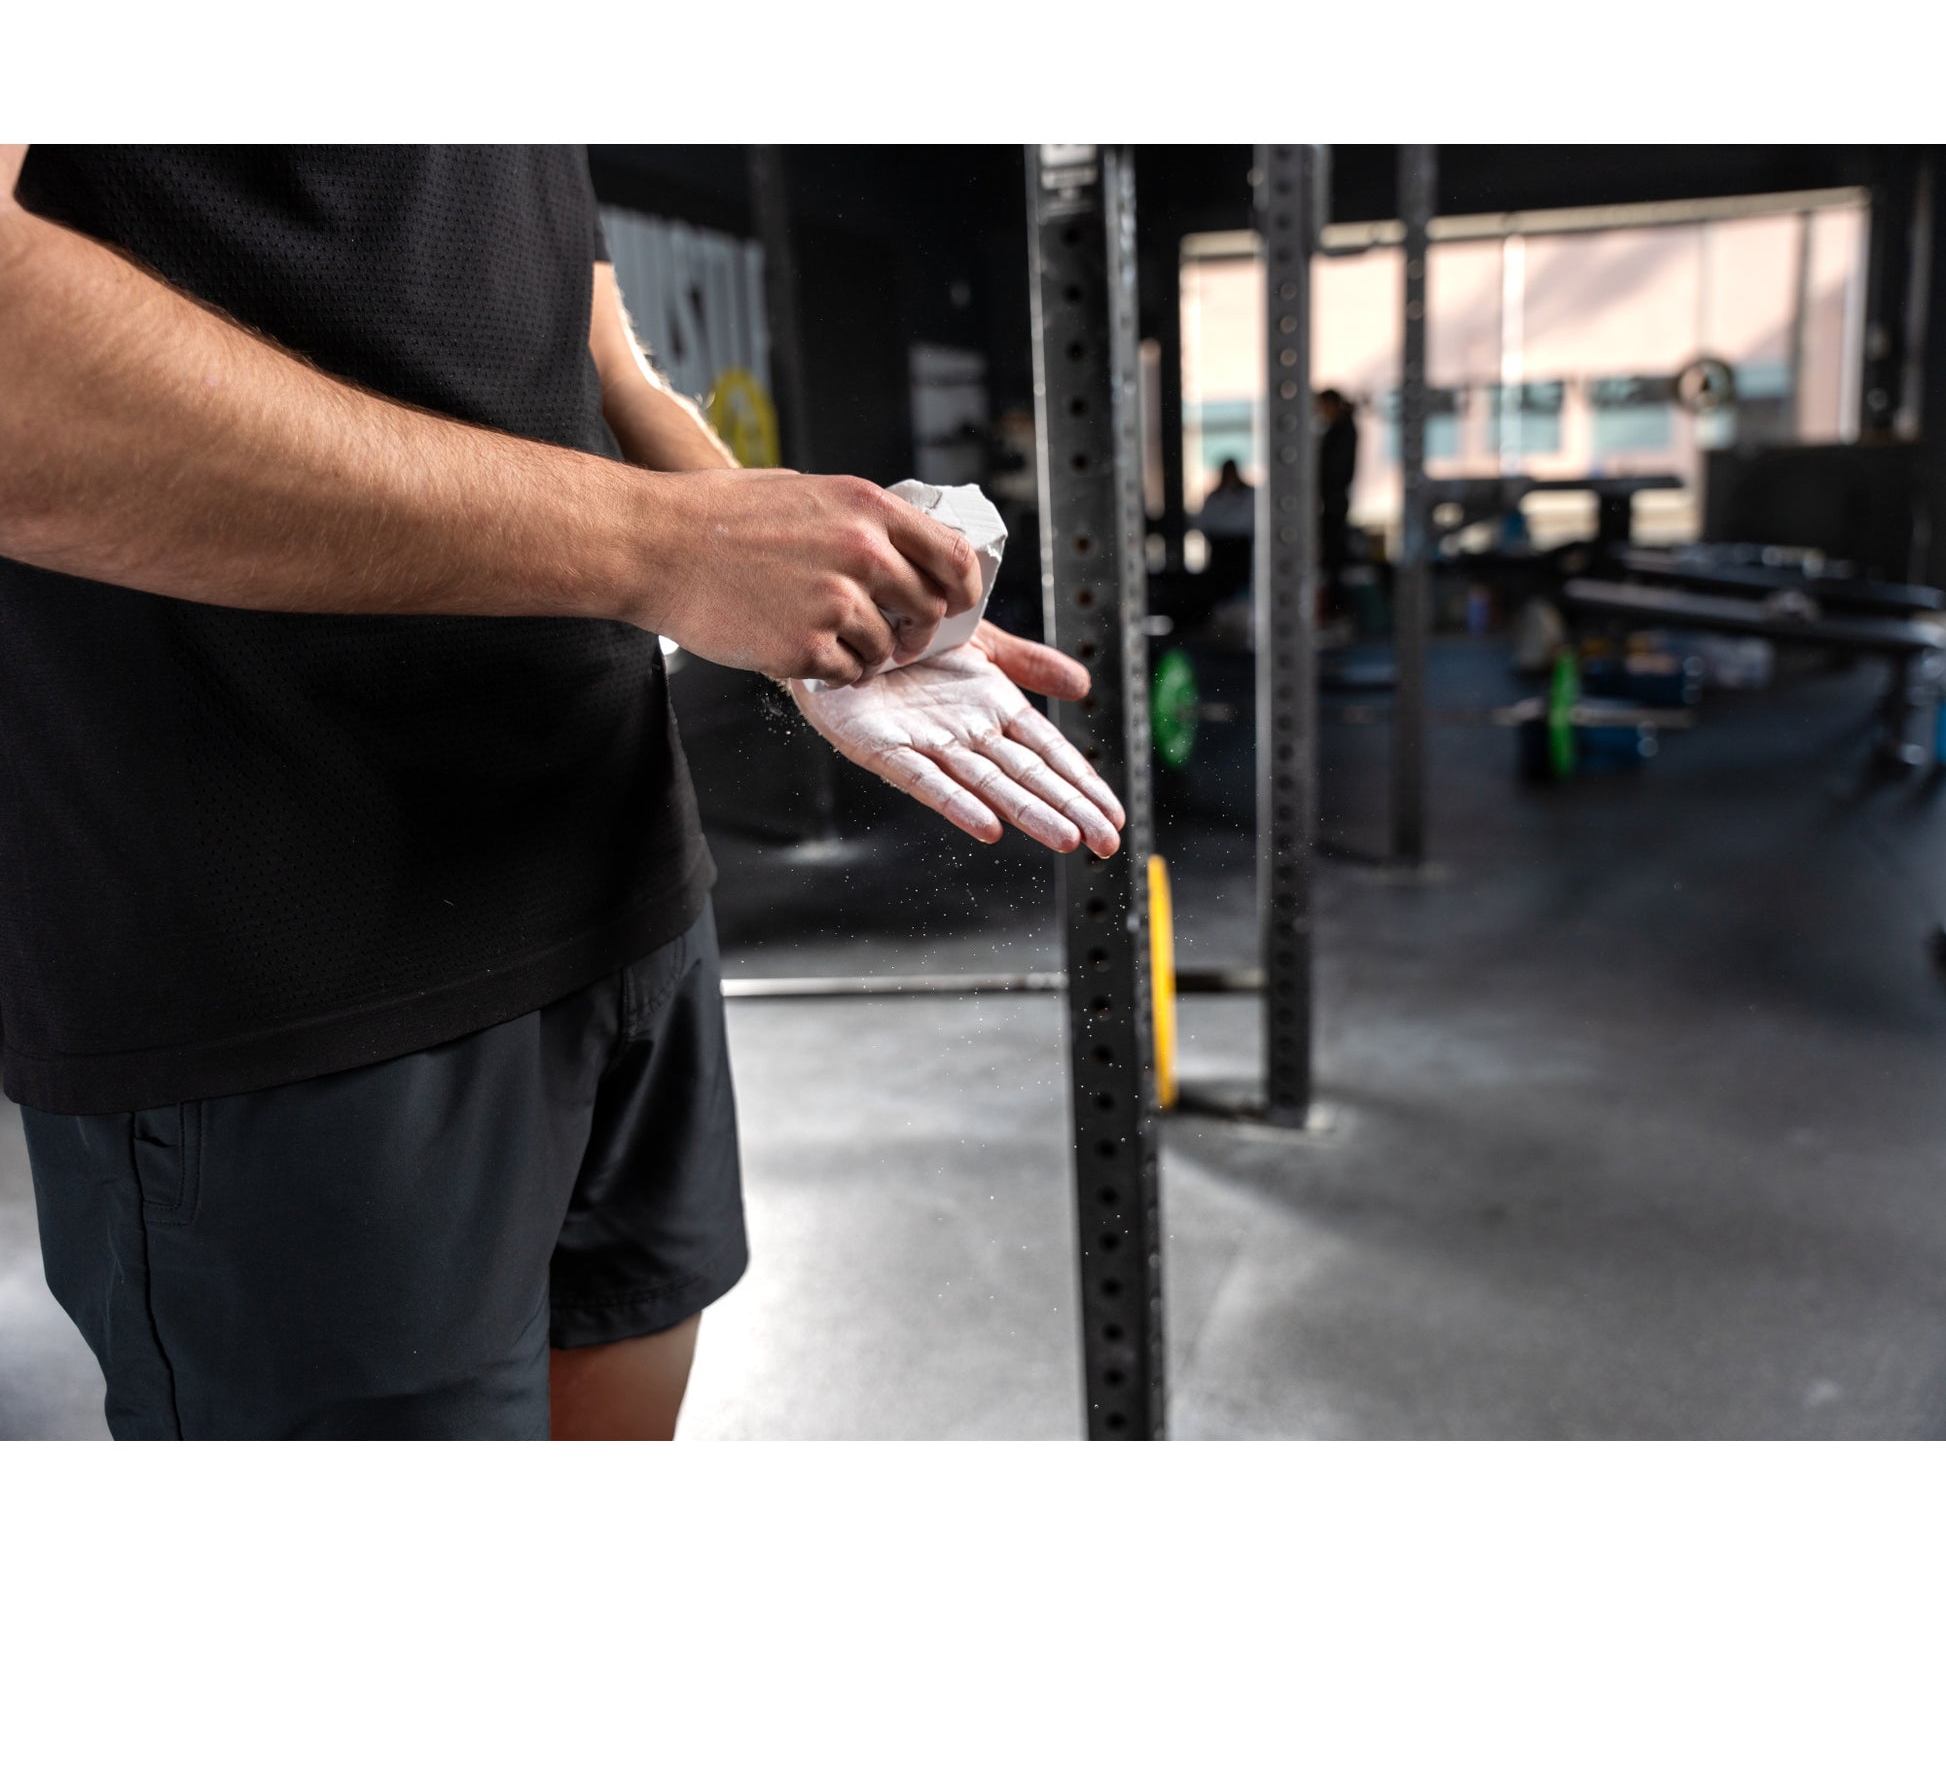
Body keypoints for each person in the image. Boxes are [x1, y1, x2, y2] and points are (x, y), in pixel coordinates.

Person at [0, 146, 1124, 1441]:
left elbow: (599, 366)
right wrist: (664, 547)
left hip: (620, 884)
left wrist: (819, 604)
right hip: (298, 974)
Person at [1314, 389, 1359, 618]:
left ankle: (1336, 612)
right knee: (1332, 562)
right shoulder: (1340, 430)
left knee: (1334, 561)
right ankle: (1334, 611)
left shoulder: (1341, 432)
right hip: (1332, 501)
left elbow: (1335, 471)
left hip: (1333, 502)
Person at [1196, 456, 1256, 597]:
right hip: (1220, 545)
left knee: (1242, 580)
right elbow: (1204, 520)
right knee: (1221, 583)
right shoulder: (1214, 496)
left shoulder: (1248, 494)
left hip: (1240, 544)